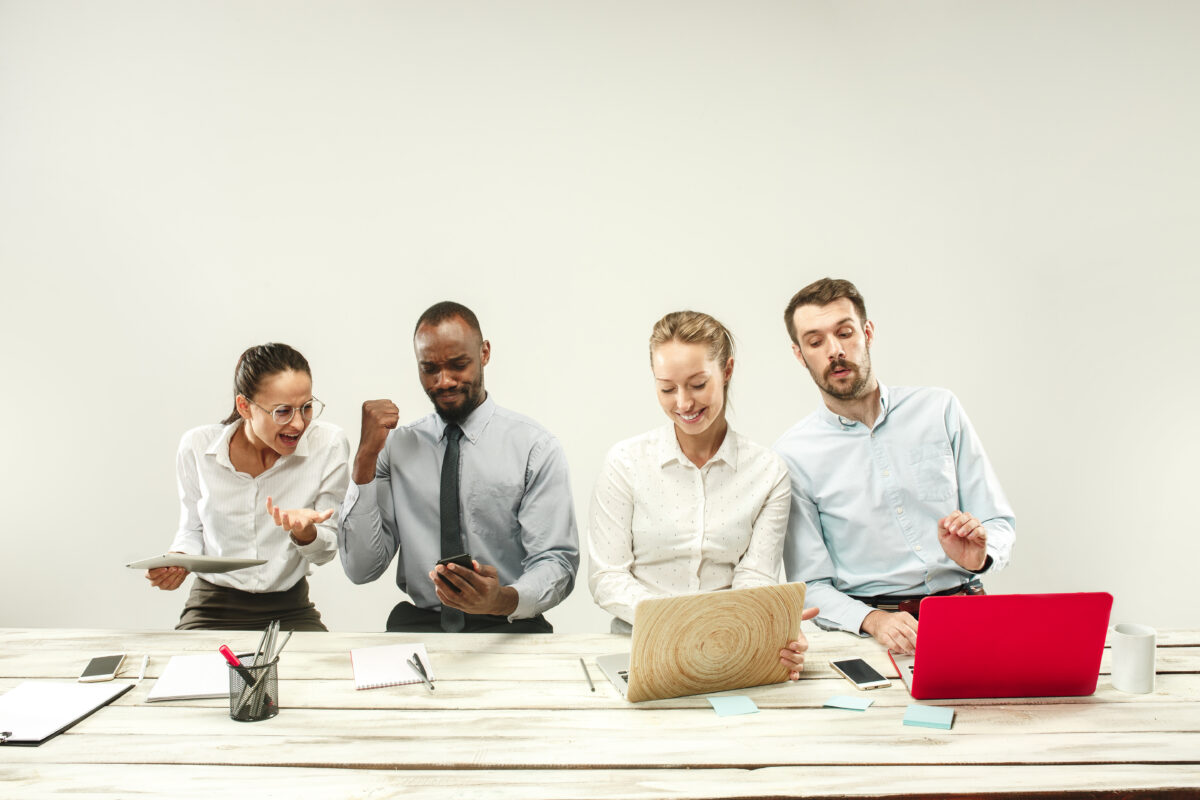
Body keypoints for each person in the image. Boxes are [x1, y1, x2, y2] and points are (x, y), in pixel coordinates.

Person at [774, 278, 1016, 654]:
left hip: (968, 608)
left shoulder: (939, 409)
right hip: (873, 632)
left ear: (867, 332)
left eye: (845, 332)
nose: (834, 351)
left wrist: (980, 556)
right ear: (799, 353)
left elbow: (998, 522)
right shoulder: (792, 455)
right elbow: (811, 586)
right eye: (815, 341)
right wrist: (874, 622)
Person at [589, 311, 819, 679]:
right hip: (640, 648)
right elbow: (607, 578)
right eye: (667, 388)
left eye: (697, 384)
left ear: (727, 371)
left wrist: (770, 626)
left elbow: (756, 576)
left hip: (731, 647)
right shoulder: (625, 463)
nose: (683, 403)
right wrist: (685, 625)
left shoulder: (768, 471)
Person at [339, 301, 579, 633]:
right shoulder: (394, 448)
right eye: (429, 368)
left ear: (484, 353)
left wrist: (502, 599)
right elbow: (361, 569)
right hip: (421, 626)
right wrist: (364, 461)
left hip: (508, 622)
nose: (444, 381)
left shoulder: (534, 448)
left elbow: (557, 564)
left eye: (458, 364)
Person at [146, 343, 350, 631]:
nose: (299, 423)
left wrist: (307, 534)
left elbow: (325, 551)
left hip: (290, 608)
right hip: (212, 605)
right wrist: (178, 560)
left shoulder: (328, 444)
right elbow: (192, 529)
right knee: (185, 673)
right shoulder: (197, 447)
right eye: (282, 411)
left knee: (325, 673)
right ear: (245, 407)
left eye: (306, 407)